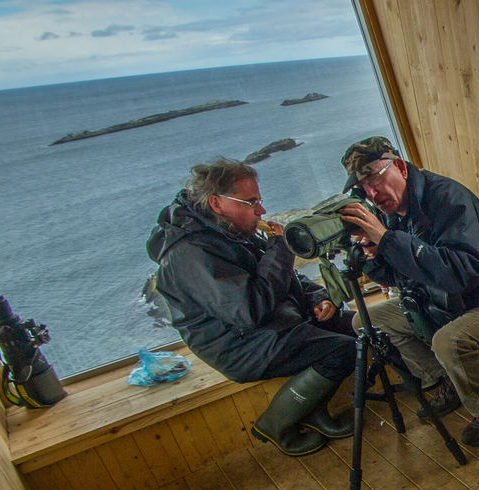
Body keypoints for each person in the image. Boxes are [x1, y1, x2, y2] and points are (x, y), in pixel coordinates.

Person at [147, 158, 356, 457]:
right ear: (217, 203)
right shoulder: (189, 254)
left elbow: (286, 279)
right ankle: (276, 424)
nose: (260, 211)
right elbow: (249, 309)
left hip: (272, 322)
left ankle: (311, 410)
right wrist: (280, 249)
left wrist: (317, 298)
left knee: (356, 327)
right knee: (344, 350)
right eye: (250, 202)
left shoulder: (224, 230)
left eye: (258, 200)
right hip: (238, 343)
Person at [337, 137, 479, 447]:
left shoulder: (447, 199)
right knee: (365, 322)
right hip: (440, 304)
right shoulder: (389, 214)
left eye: (375, 176)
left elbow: (458, 274)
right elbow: (397, 278)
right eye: (363, 186)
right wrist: (374, 256)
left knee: (448, 341)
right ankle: (447, 380)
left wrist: (387, 240)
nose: (372, 192)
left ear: (399, 166)